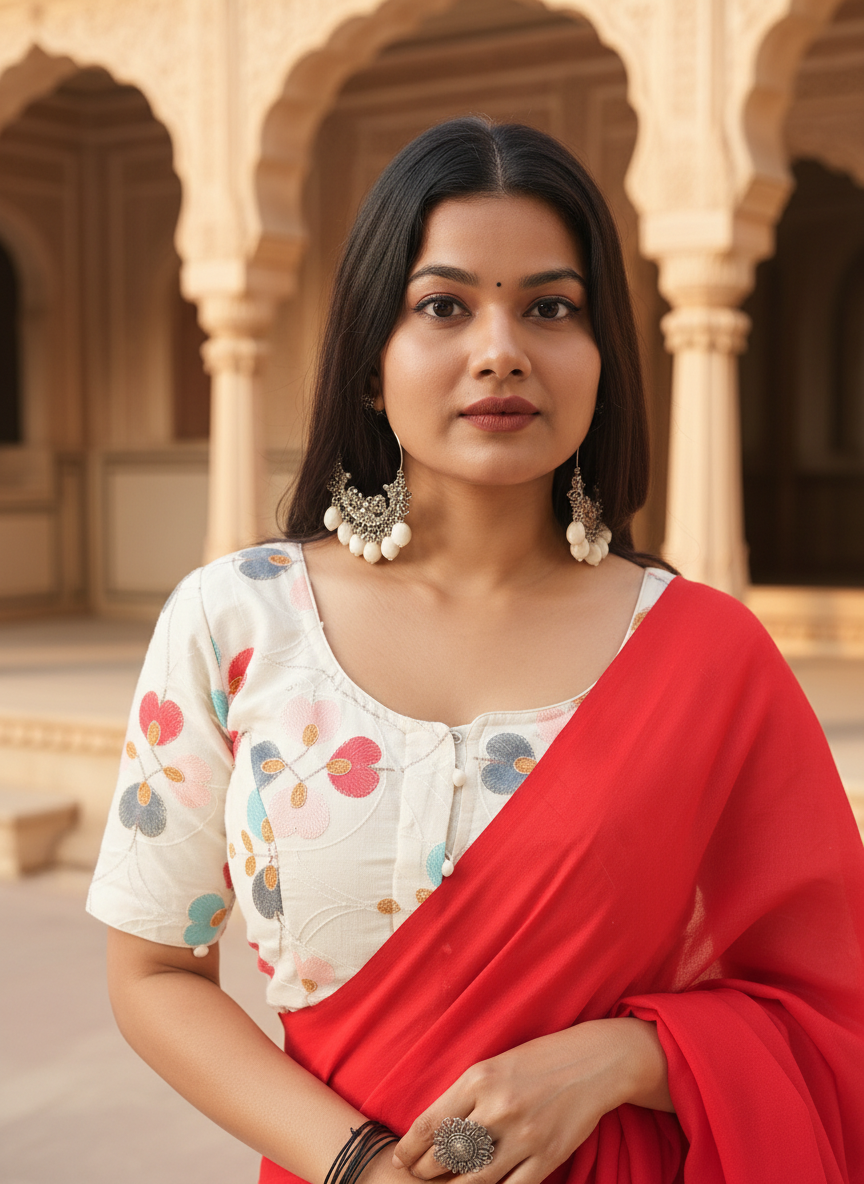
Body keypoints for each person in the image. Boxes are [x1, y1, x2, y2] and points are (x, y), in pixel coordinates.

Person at [87, 118, 864, 1184]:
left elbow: (832, 1006)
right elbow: (154, 972)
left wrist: (627, 1054)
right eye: (443, 305)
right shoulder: (234, 623)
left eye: (551, 306)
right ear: (372, 363)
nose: (501, 349)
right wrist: (357, 1162)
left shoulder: (705, 654)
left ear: (601, 359)